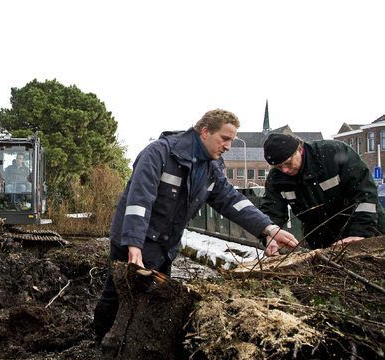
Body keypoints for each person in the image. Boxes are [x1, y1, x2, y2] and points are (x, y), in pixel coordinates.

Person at [93, 109, 299, 342]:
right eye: (225, 138)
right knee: (118, 293)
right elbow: (140, 200)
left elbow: (233, 201)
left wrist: (268, 229)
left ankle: (135, 345)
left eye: (231, 140)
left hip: (165, 244)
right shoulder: (159, 153)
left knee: (154, 298)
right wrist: (134, 244)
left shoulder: (211, 168)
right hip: (135, 238)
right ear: (204, 132)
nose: (228, 146)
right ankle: (101, 341)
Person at [260, 133, 385, 255]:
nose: (285, 170)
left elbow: (365, 194)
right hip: (321, 239)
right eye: (279, 167)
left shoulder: (334, 153)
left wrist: (360, 233)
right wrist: (271, 235)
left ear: (300, 149)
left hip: (367, 228)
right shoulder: (276, 178)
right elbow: (272, 210)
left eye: (288, 163)